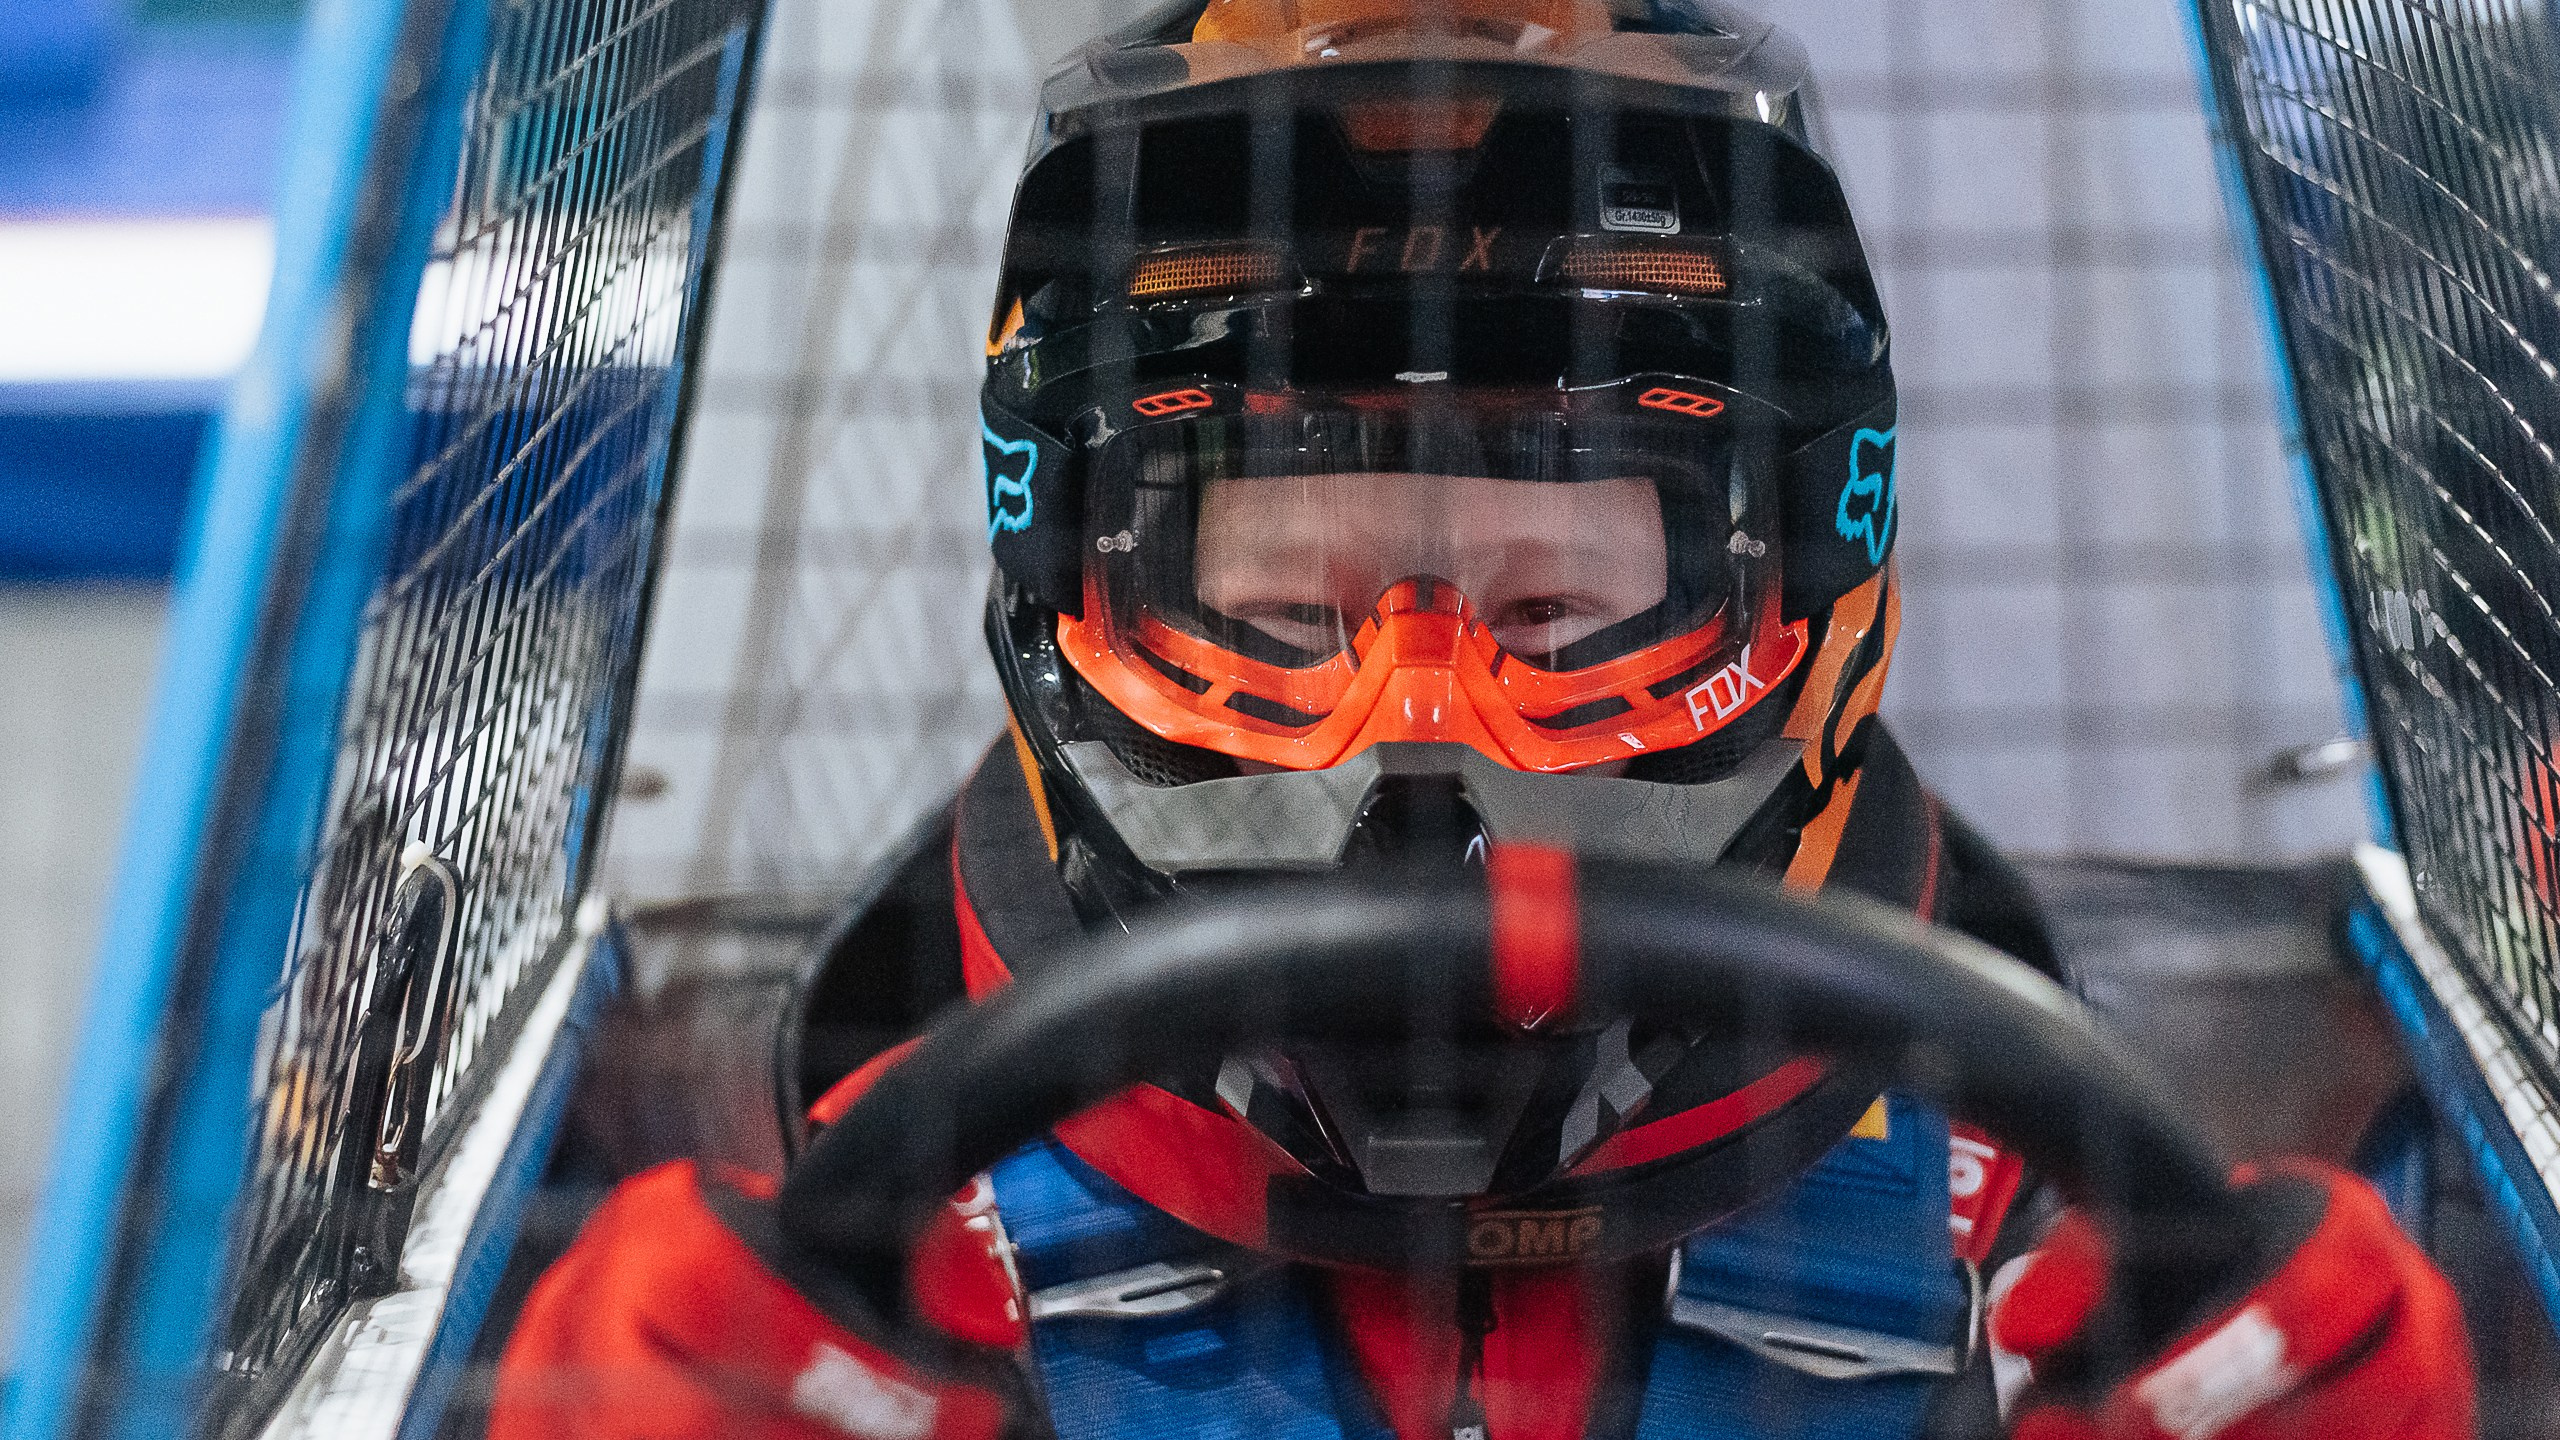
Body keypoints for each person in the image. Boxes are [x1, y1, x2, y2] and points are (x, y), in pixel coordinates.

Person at [488, 3, 2475, 1437]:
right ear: (1061, 567)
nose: (1412, 735)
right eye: (1278, 612)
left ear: (1801, 567)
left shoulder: (2074, 1251)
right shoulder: (841, 1269)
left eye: (1550, 614)